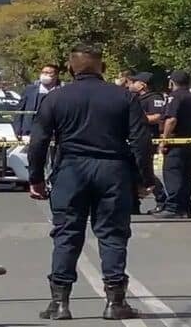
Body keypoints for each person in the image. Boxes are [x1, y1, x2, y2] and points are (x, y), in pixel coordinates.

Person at [27, 44, 151, 321]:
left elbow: (38, 142)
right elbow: (141, 141)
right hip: (113, 170)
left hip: (71, 170)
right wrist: (144, 179)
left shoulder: (56, 98)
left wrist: (35, 178)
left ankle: (60, 303)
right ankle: (115, 302)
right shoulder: (124, 97)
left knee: (66, 235)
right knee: (113, 235)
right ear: (103, 68)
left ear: (70, 69)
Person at [154, 70, 191, 219]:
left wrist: (164, 140)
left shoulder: (174, 97)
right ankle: (185, 208)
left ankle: (173, 207)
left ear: (172, 82)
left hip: (176, 141)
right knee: (186, 176)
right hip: (190, 140)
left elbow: (171, 120)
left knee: (173, 174)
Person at [128, 72, 167, 215]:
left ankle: (162, 199)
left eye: (134, 82)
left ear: (142, 85)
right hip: (134, 138)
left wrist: (138, 118)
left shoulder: (154, 98)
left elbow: (158, 116)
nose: (131, 84)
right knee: (132, 171)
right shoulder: (135, 97)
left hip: (146, 139)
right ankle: (133, 204)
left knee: (144, 171)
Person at [13, 64, 63, 139]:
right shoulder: (29, 90)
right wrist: (17, 130)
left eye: (48, 72)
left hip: (54, 135)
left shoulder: (62, 92)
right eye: (43, 72)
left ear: (56, 75)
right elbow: (20, 111)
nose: (44, 75)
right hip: (29, 134)